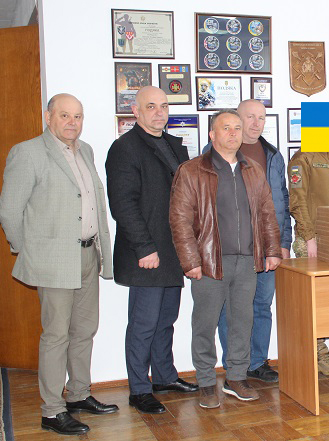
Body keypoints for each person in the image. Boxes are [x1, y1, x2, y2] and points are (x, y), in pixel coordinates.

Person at [0, 94, 118, 435]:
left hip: (88, 254)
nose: (72, 122)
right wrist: (29, 252)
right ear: (48, 116)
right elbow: (9, 210)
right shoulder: (28, 152)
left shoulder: (86, 151)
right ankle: (52, 411)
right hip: (53, 261)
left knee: (84, 330)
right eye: (64, 115)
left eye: (77, 116)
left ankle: (79, 394)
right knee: (56, 335)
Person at [169, 110, 282, 408]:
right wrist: (190, 260)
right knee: (204, 324)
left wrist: (272, 250)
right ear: (212, 134)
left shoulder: (253, 170)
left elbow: (267, 213)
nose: (233, 133)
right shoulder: (192, 170)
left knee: (242, 322)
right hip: (209, 262)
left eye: (237, 128)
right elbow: (180, 219)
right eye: (226, 128)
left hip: (247, 261)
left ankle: (236, 377)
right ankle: (206, 381)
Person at [105, 86, 198, 415]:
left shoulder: (173, 145)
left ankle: (164, 377)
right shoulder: (125, 148)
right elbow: (123, 204)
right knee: (143, 324)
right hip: (147, 253)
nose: (159, 112)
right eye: (151, 106)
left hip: (173, 251)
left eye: (163, 106)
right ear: (136, 111)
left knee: (166, 320)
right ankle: (139, 390)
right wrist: (145, 247)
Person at [202, 99, 292, 383]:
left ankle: (257, 362)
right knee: (230, 309)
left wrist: (283, 242)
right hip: (233, 247)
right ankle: (235, 366)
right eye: (249, 117)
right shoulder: (212, 155)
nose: (256, 123)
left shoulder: (273, 155)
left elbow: (282, 200)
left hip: (267, 246)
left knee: (262, 306)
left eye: (261, 118)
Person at [288, 150, 329, 376]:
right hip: (312, 241)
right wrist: (308, 237)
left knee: (328, 302)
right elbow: (297, 200)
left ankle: (316, 353)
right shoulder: (302, 159)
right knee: (311, 302)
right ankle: (318, 356)